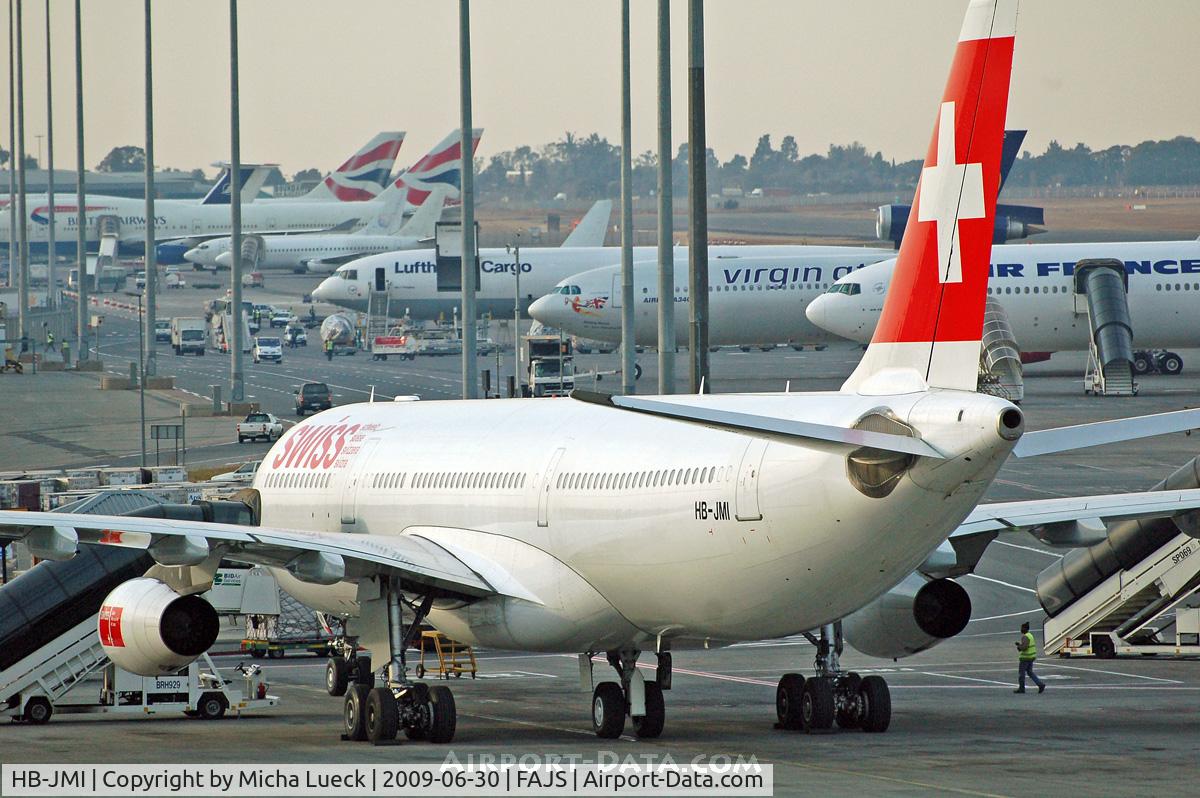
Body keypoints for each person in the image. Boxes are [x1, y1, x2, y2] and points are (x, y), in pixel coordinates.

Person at [1014, 621, 1045, 694]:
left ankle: (1022, 688)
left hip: (1025, 658)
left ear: (1025, 629)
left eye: (1022, 628)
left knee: (1021, 674)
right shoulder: (1030, 635)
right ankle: (1040, 684)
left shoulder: (1025, 636)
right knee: (1030, 672)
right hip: (1031, 656)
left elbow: (1024, 647)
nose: (1021, 629)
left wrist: (1019, 646)